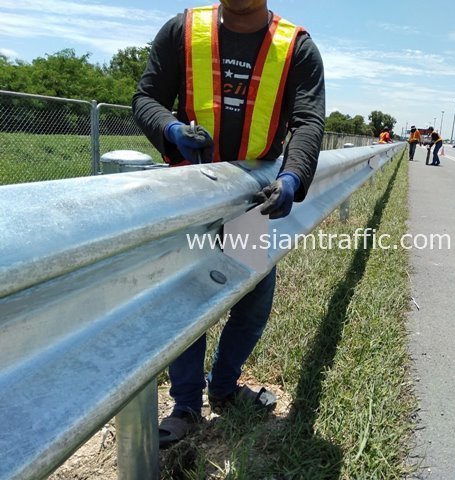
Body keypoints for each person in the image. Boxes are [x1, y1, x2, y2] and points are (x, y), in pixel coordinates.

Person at [132, 0, 325, 448]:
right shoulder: (183, 30)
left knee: (252, 300)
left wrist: (292, 175)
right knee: (187, 303)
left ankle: (223, 386)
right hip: (190, 194)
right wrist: (170, 128)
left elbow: (309, 121)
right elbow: (146, 98)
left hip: (249, 198)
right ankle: (184, 406)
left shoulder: (295, 47)